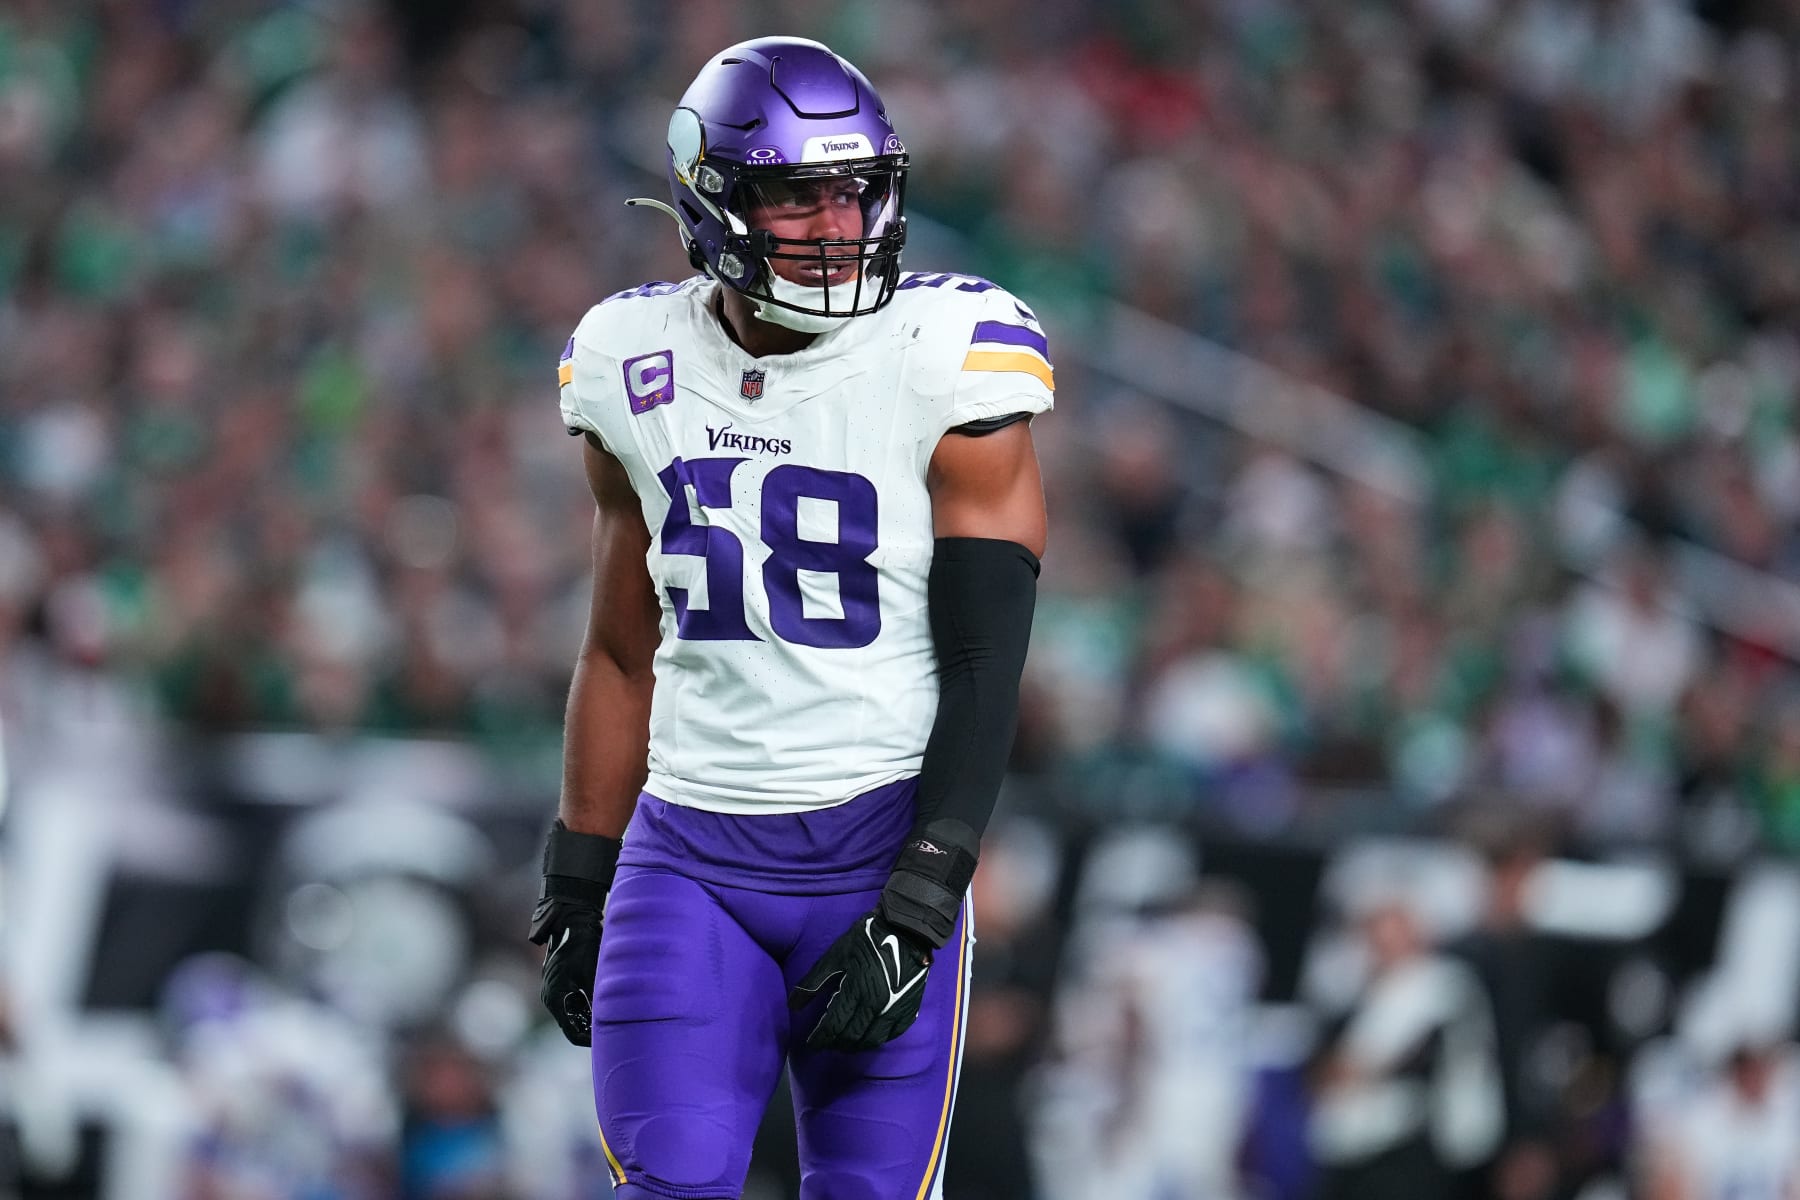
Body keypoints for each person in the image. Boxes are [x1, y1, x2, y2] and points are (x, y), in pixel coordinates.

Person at [524, 37, 1051, 1200]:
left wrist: (921, 895)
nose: (834, 222)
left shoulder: (947, 356)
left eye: (853, 189)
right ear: (711, 203)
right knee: (672, 1183)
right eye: (794, 194)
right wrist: (579, 871)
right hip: (691, 856)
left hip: (877, 847)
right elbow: (621, 647)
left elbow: (983, 664)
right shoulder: (630, 357)